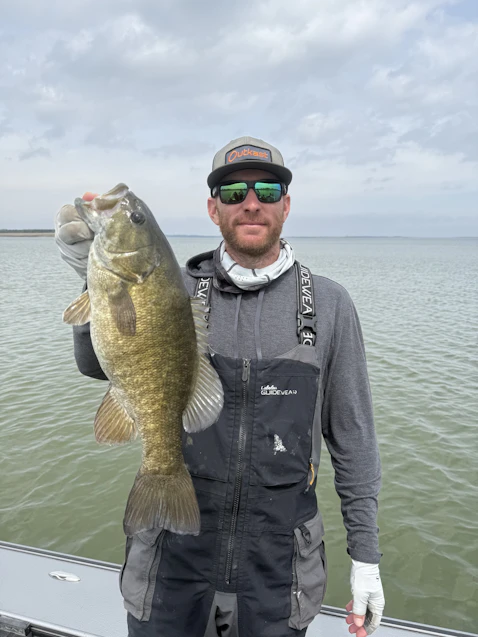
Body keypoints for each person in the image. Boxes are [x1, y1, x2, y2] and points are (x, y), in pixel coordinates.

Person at [55, 136, 385, 637]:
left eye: (267, 190)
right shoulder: (176, 286)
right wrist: (92, 281)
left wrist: (365, 557)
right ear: (214, 209)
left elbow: (354, 438)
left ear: (286, 206)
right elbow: (94, 365)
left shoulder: (330, 305)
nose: (251, 203)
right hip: (168, 563)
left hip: (279, 574)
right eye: (233, 192)